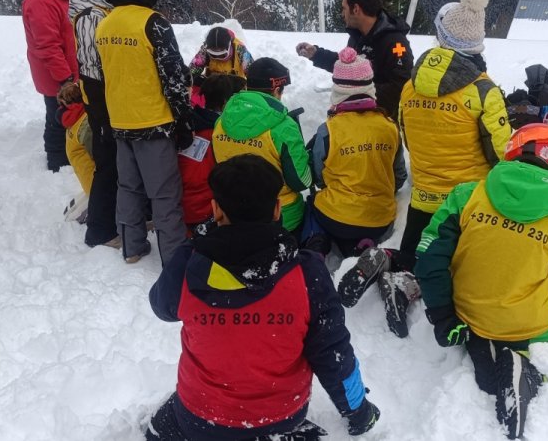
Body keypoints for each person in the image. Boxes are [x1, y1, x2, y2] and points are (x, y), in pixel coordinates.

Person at [145, 155, 380, 441]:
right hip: (281, 417)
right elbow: (334, 354)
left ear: (216, 210)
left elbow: (162, 307)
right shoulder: (307, 273)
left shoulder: (187, 263)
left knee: (158, 427)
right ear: (277, 209)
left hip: (199, 417)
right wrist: (358, 412)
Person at [337, 0, 511, 337]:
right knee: (454, 263)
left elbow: (407, 134)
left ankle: (389, 259)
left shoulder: (411, 86)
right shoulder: (483, 90)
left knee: (416, 248)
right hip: (466, 202)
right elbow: (502, 154)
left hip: (423, 196)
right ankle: (406, 285)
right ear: (477, 44)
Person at [415, 124, 548, 439]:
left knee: (480, 340)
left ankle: (493, 360)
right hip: (533, 325)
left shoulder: (468, 194)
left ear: (513, 150)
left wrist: (441, 314)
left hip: (470, 316)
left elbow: (429, 258)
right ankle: (520, 366)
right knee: (532, 332)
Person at [96, 0, 193, 264]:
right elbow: (174, 78)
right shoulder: (154, 23)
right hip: (155, 123)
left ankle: (132, 247)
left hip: (120, 122)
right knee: (164, 194)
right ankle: (174, 257)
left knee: (129, 188)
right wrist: (183, 119)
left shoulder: (106, 25)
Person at [296, 0, 413, 188]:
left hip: (382, 123)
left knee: (382, 176)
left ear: (356, 9)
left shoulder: (395, 42)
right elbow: (347, 67)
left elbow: (401, 85)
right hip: (354, 120)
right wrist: (317, 54)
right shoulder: (357, 37)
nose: (342, 13)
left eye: (343, 8)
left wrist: (361, 97)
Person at [303, 48, 400, 258]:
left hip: (337, 218)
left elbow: (319, 176)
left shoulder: (328, 130)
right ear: (370, 87)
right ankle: (363, 245)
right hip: (380, 219)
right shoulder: (390, 126)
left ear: (337, 89)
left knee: (312, 205)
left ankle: (317, 244)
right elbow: (399, 175)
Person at [212, 58, 311, 235]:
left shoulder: (221, 121)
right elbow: (300, 181)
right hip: (281, 217)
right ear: (276, 89)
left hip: (232, 215)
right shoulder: (284, 127)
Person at [68, 0, 123, 247]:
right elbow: (95, 68)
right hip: (102, 104)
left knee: (114, 163)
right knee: (109, 165)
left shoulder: (104, 9)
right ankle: (102, 231)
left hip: (104, 101)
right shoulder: (93, 16)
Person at [22, 0, 82, 172]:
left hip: (64, 72)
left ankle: (63, 158)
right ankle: (57, 164)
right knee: (58, 117)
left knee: (63, 115)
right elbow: (47, 46)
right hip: (56, 77)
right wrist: (65, 80)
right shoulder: (41, 0)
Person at [179, 74, 245, 237]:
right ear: (225, 103)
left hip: (178, 205)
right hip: (204, 211)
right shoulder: (219, 134)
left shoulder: (189, 124)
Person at [189, 26, 251, 105]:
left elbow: (252, 73)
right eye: (213, 55)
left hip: (234, 91)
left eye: (222, 55)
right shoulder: (205, 49)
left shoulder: (239, 49)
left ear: (229, 47)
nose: (217, 57)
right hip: (212, 89)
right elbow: (192, 70)